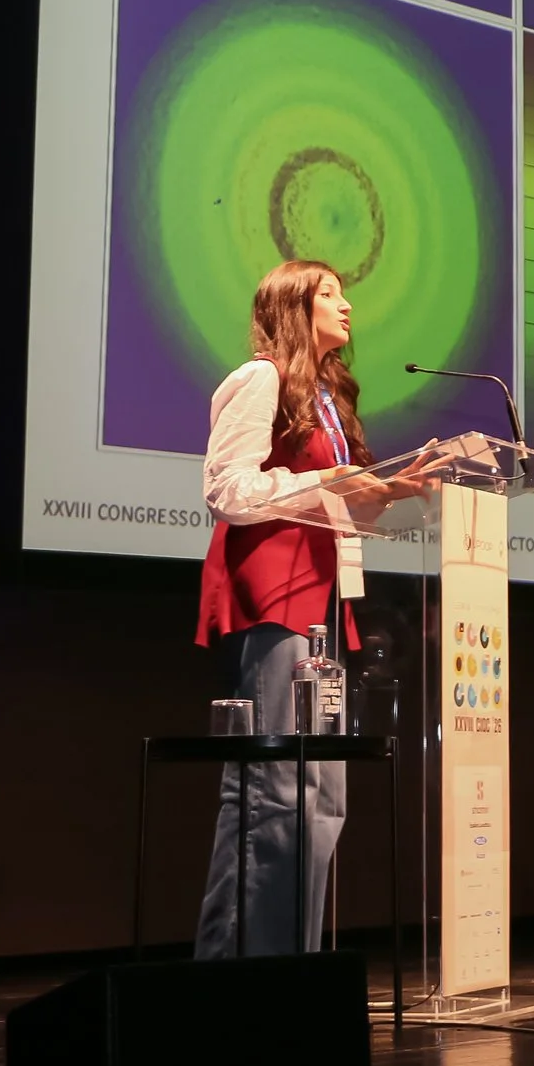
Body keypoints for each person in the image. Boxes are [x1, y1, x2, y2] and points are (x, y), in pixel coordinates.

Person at [193, 260, 370, 958]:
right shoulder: (261, 379)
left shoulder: (327, 396)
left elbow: (332, 493)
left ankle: (298, 971)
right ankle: (241, 974)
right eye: (329, 293)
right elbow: (228, 490)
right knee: (277, 794)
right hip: (276, 599)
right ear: (294, 307)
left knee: (323, 800)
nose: (345, 305)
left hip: (324, 604)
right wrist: (327, 480)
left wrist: (387, 489)